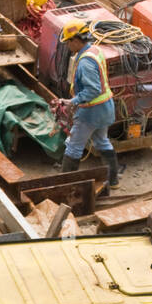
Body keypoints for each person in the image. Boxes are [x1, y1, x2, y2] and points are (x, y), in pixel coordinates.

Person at [57, 21, 119, 195]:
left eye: (69, 42)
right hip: (106, 107)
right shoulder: (96, 51)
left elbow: (93, 89)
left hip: (91, 111)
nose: (68, 46)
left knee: (74, 147)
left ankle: (64, 185)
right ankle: (113, 180)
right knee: (102, 141)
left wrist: (73, 101)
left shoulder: (85, 63)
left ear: (77, 40)